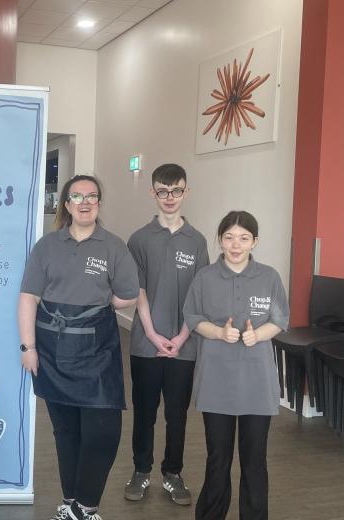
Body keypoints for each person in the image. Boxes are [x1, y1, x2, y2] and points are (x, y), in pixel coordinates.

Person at [18, 174, 139, 520]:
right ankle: (73, 504)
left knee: (102, 431)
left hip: (98, 349)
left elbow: (128, 294)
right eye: (77, 196)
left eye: (92, 196)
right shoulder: (47, 246)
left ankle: (85, 505)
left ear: (99, 203)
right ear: (66, 204)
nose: (85, 202)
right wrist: (28, 347)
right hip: (53, 350)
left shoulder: (113, 246)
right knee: (66, 430)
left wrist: (99, 303)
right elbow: (28, 297)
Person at [183, 210, 289, 520]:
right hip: (216, 379)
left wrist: (259, 335)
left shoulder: (269, 277)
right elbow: (192, 316)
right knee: (218, 458)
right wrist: (218, 332)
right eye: (229, 237)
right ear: (220, 240)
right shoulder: (204, 277)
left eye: (243, 238)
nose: (236, 244)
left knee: (254, 459)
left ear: (254, 241)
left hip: (258, 381)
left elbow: (280, 319)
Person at [124, 163, 209, 505]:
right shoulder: (139, 239)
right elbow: (137, 290)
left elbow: (199, 296)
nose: (169, 197)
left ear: (186, 192)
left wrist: (183, 338)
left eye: (176, 191)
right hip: (146, 344)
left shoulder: (198, 241)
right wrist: (152, 333)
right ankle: (141, 471)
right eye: (163, 190)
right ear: (153, 193)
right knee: (144, 412)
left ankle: (172, 473)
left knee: (177, 414)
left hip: (184, 347)